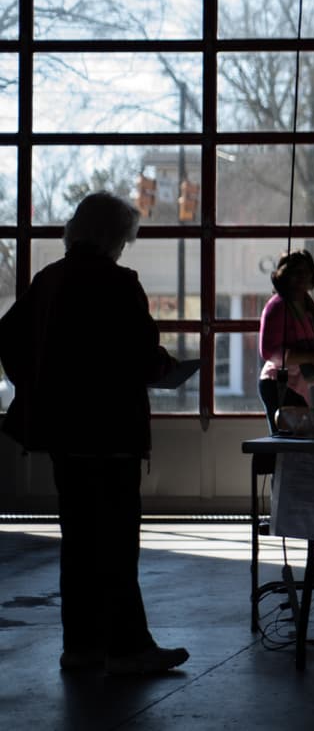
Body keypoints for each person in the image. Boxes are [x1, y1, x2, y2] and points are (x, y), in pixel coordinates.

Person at [0, 192, 189, 675]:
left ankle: (81, 647)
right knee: (118, 543)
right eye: (124, 239)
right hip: (113, 433)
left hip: (66, 435)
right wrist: (166, 367)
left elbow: (10, 338)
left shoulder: (49, 280)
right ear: (111, 237)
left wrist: (37, 388)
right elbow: (141, 356)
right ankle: (128, 647)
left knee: (79, 542)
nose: (124, 248)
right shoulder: (119, 284)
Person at [257, 249, 314, 433]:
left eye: (306, 271)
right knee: (288, 443)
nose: (301, 276)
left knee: (301, 443)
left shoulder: (312, 309)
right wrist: (313, 358)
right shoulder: (277, 306)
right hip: (279, 384)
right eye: (295, 272)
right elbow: (268, 351)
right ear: (284, 276)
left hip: (305, 386)